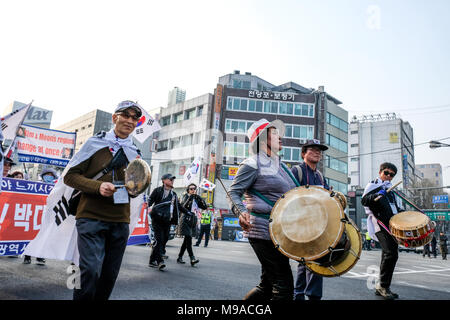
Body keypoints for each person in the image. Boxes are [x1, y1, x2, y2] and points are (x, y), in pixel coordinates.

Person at [63, 100, 142, 300]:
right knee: (89, 270)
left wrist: (136, 189)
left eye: (135, 118)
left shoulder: (136, 153)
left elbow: (136, 186)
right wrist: (98, 187)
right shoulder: (93, 143)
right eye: (126, 115)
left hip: (120, 220)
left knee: (109, 275)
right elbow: (70, 176)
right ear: (115, 117)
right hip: (91, 217)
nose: (130, 120)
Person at [228, 118, 299, 300]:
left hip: (279, 232)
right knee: (283, 287)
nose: (280, 137)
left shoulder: (281, 166)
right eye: (274, 133)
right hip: (261, 230)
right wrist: (241, 211)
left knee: (266, 287)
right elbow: (233, 193)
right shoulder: (252, 163)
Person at [290, 139, 330, 301]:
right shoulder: (297, 171)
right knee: (314, 258)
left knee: (305, 260)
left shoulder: (320, 176)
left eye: (319, 150)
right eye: (312, 150)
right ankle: (312, 296)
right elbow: (289, 197)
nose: (317, 152)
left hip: (319, 223)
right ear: (303, 154)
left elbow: (327, 198)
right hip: (301, 223)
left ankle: (298, 295)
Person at [361, 162, 403, 300]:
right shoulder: (373, 185)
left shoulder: (391, 190)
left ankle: (383, 286)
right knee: (390, 253)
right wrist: (376, 195)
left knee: (389, 254)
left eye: (392, 175)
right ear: (380, 172)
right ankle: (383, 286)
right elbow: (365, 200)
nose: (388, 176)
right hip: (379, 224)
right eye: (386, 173)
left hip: (392, 224)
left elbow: (395, 207)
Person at [147, 173, 189, 271]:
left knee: (163, 240)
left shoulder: (173, 194)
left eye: (173, 179)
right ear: (164, 180)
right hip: (157, 220)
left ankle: (151, 260)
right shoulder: (157, 191)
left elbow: (179, 206)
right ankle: (160, 261)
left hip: (167, 221)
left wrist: (187, 212)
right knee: (159, 240)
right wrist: (143, 207)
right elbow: (149, 202)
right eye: (170, 179)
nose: (172, 181)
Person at [24, 168, 57, 265]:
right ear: (43, 176)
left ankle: (40, 256)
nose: (49, 177)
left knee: (43, 237)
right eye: (47, 174)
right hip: (35, 214)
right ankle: (27, 256)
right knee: (31, 236)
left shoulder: (55, 187)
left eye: (51, 175)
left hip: (47, 215)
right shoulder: (36, 186)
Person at [177, 183, 206, 266]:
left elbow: (204, 207)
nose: (193, 190)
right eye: (191, 189)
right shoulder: (186, 196)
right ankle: (192, 258)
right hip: (185, 219)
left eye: (194, 189)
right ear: (188, 190)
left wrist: (200, 198)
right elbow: (183, 206)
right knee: (188, 239)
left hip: (193, 220)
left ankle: (179, 257)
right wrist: (190, 197)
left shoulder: (196, 198)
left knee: (186, 240)